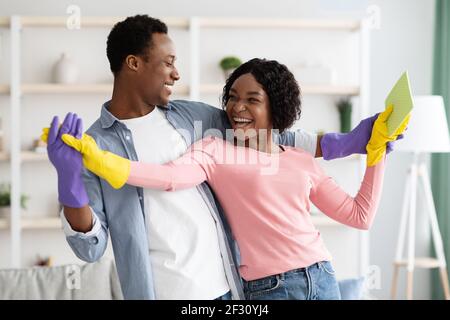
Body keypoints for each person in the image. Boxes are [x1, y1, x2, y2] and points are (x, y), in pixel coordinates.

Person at [43, 15, 400, 300]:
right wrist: (70, 188)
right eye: (168, 63)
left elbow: (268, 137)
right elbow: (91, 248)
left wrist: (353, 142)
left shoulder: (191, 117)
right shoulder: (92, 146)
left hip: (231, 285)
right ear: (133, 63)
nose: (177, 73)